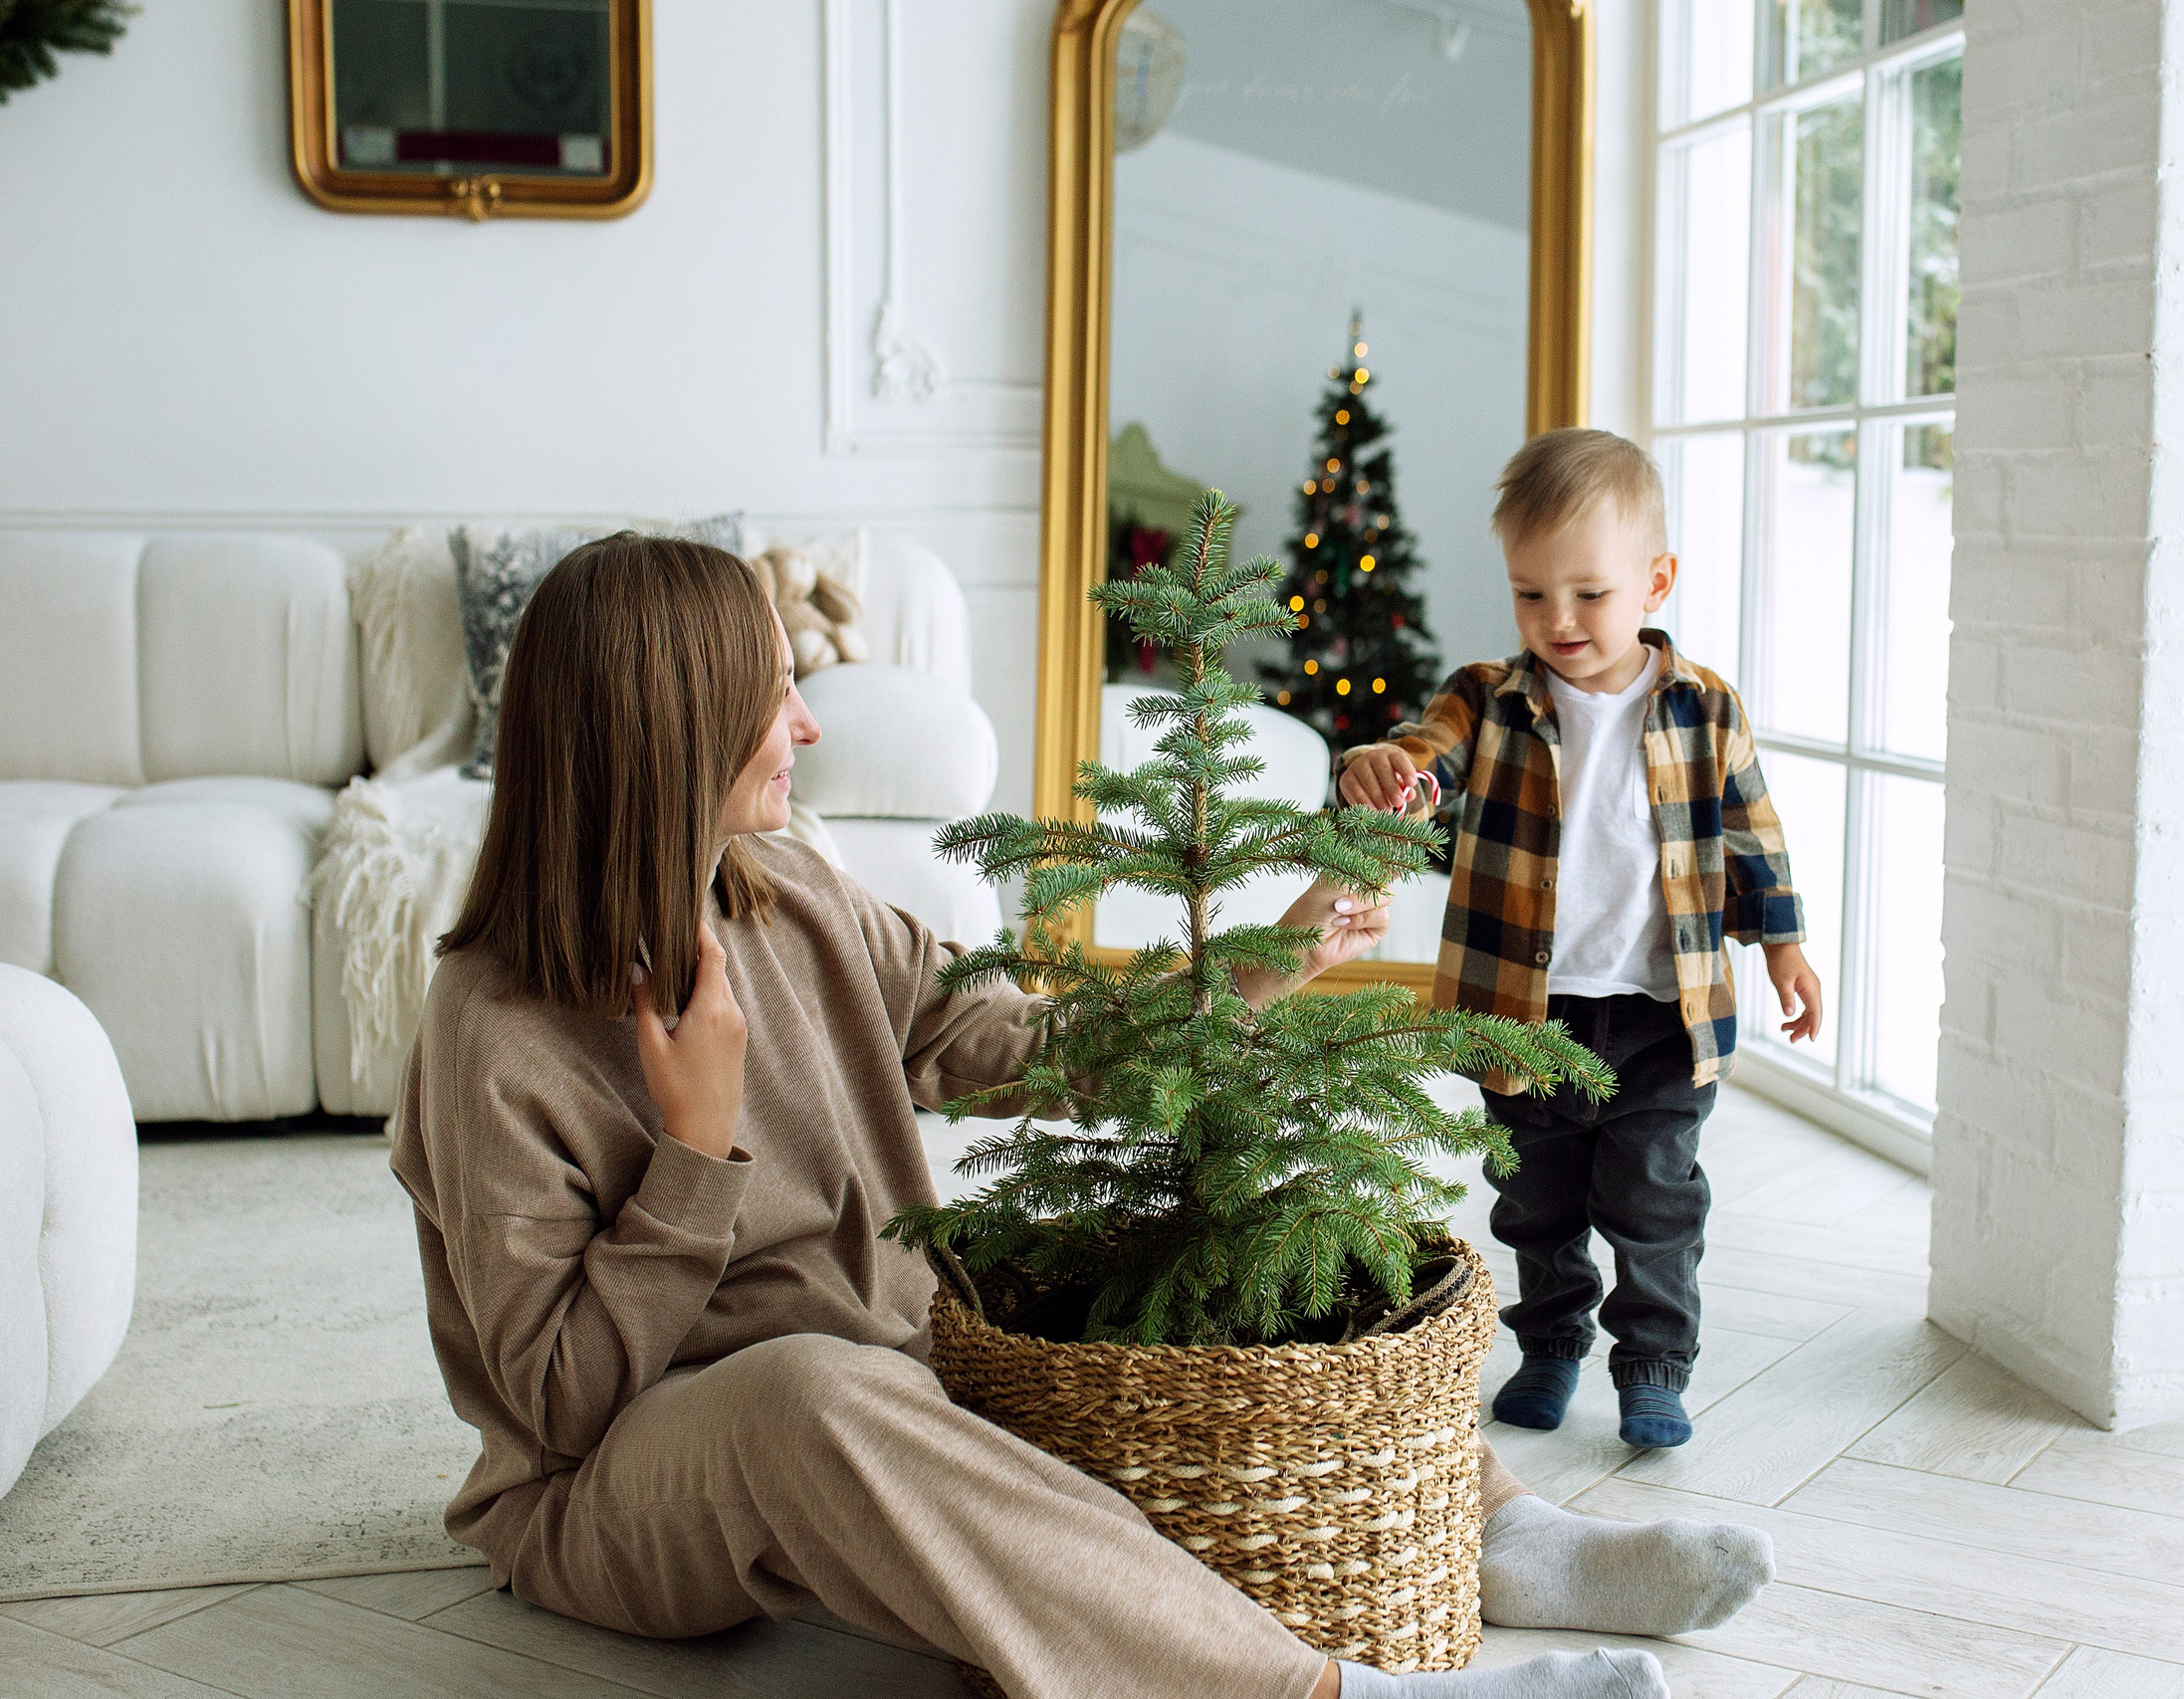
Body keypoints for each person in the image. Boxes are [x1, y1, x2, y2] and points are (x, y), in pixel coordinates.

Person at [388, 533, 1775, 1699]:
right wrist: (690, 1153)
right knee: (810, 1391)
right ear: (667, 728)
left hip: (899, 1364)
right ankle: (1326, 1695)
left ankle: (1507, 1531)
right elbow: (560, 1401)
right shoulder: (494, 1027)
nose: (806, 723)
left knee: (1125, 1264)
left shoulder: (789, 893)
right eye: (771, 696)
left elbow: (1017, 1045)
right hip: (624, 1482)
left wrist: (1278, 948)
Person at [1338, 429, 1823, 1452]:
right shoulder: (1487, 698)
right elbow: (1425, 759)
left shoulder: (1703, 706)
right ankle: (1549, 1342)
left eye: (1588, 595)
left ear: (1655, 582)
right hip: (1525, 1012)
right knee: (1533, 1200)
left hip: (1661, 1013)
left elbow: (1750, 832)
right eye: (1530, 594)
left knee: (1654, 1200)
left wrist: (1782, 945)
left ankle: (1652, 1365)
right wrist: (1385, 766)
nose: (1556, 621)